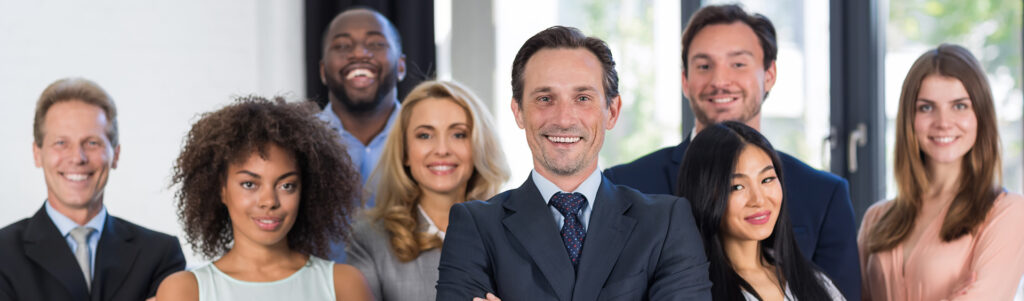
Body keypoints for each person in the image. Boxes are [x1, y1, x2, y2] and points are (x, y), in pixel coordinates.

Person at [602, 4, 860, 299]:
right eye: (704, 66)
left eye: (738, 64)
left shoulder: (824, 195)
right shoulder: (625, 186)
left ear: (770, 74)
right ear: (685, 81)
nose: (720, 81)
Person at [436, 26, 712, 300]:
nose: (564, 119)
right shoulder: (476, 226)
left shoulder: (665, 222)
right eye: (545, 98)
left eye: (582, 98)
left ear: (612, 112)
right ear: (518, 111)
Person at [155, 97, 372, 300]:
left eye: (287, 186)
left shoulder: (343, 285)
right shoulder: (185, 291)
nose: (269, 201)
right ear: (221, 189)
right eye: (249, 184)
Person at [858, 44, 1024, 300]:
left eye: (959, 106)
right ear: (909, 119)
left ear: (981, 115)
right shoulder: (876, 219)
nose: (943, 122)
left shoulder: (1008, 213)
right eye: (926, 107)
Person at [0, 78, 186, 300]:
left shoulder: (160, 255)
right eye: (61, 142)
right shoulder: (4, 253)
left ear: (115, 154)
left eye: (92, 143)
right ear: (37, 153)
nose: (77, 158)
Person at [346, 80, 510, 301]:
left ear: (478, 146)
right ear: (404, 151)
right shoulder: (369, 238)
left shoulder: (514, 231)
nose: (442, 150)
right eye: (425, 135)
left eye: (459, 134)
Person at [678, 121, 845, 300]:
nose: (758, 200)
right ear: (704, 194)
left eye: (766, 180)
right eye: (737, 186)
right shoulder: (688, 290)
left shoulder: (814, 282)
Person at [318, 7, 406, 195]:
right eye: (342, 46)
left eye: (376, 44)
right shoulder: (298, 143)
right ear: (323, 71)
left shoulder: (428, 142)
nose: (359, 53)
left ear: (401, 66)